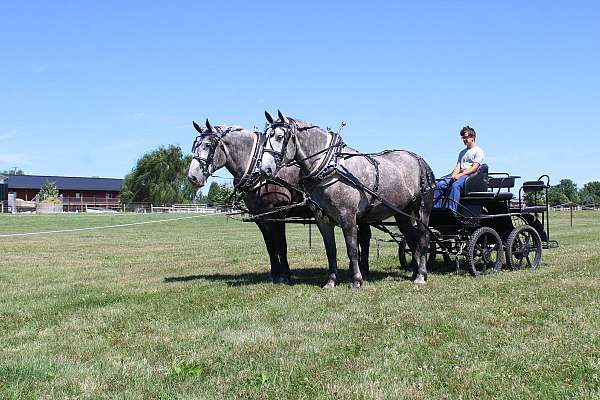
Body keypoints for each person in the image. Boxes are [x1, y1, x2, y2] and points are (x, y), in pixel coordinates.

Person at [433, 126, 485, 212]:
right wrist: (454, 175)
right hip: (459, 174)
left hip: (469, 176)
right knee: (440, 185)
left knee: (455, 186)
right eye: (463, 138)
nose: (464, 140)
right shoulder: (462, 152)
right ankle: (436, 209)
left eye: (465, 137)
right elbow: (458, 166)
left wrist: (460, 175)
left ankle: (451, 209)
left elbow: (474, 168)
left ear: (472, 137)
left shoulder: (478, 151)